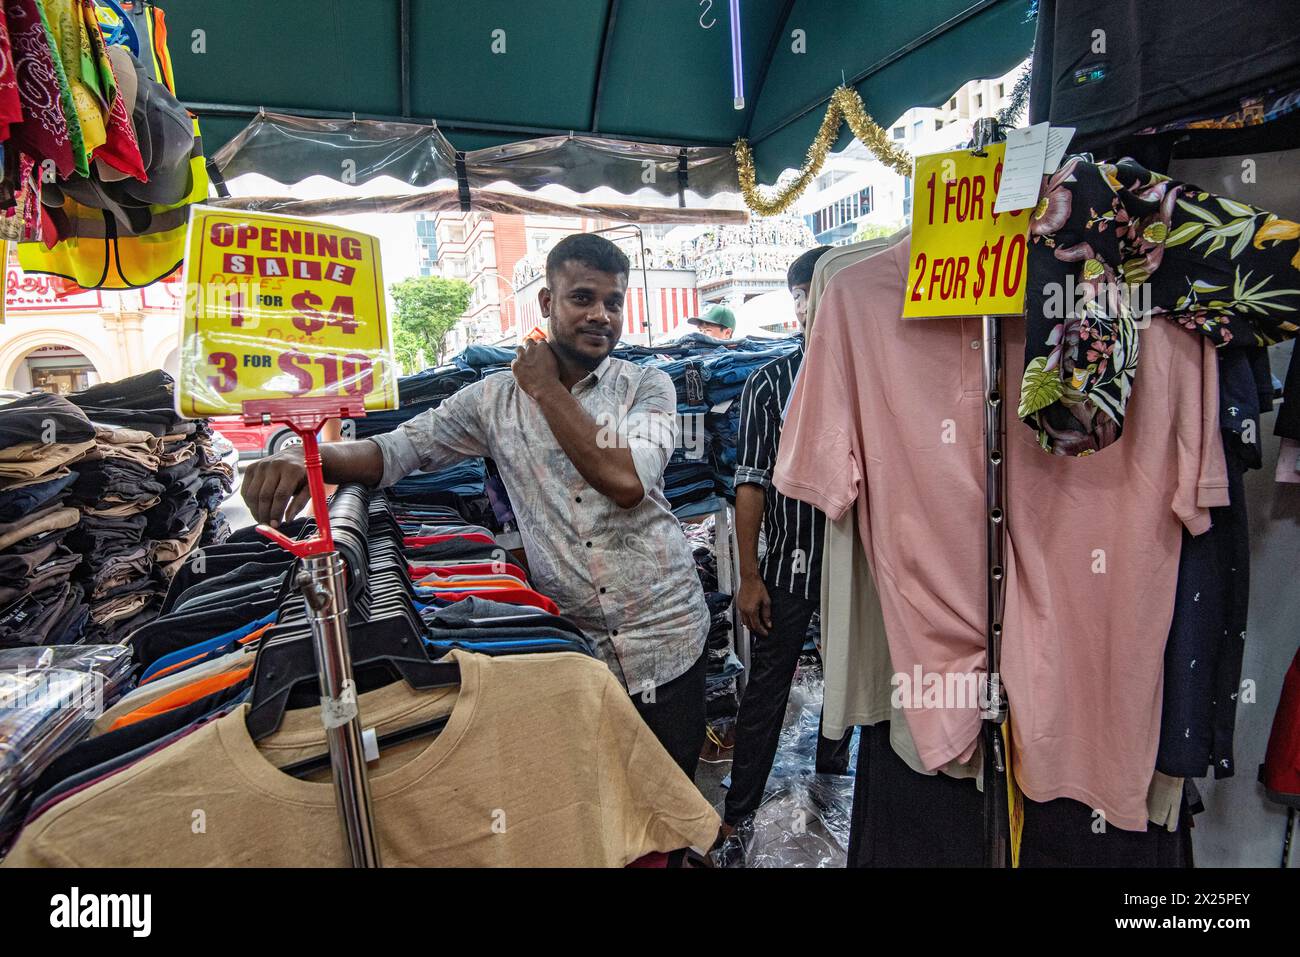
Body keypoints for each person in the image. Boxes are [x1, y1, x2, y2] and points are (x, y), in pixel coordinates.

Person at [242, 233, 712, 779]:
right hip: (575, 644)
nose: (601, 315)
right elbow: (399, 449)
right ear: (546, 304)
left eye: (613, 302)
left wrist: (545, 390)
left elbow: (625, 480)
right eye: (583, 298)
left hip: (667, 632)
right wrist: (306, 456)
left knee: (673, 790)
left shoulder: (648, 385)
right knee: (599, 799)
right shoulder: (492, 400)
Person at [722, 245, 850, 836]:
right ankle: (741, 812)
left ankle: (832, 786)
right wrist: (749, 576)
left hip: (858, 568)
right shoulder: (769, 384)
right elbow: (750, 485)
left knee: (850, 680)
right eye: (808, 298)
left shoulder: (866, 376)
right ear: (799, 303)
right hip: (792, 567)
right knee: (768, 688)